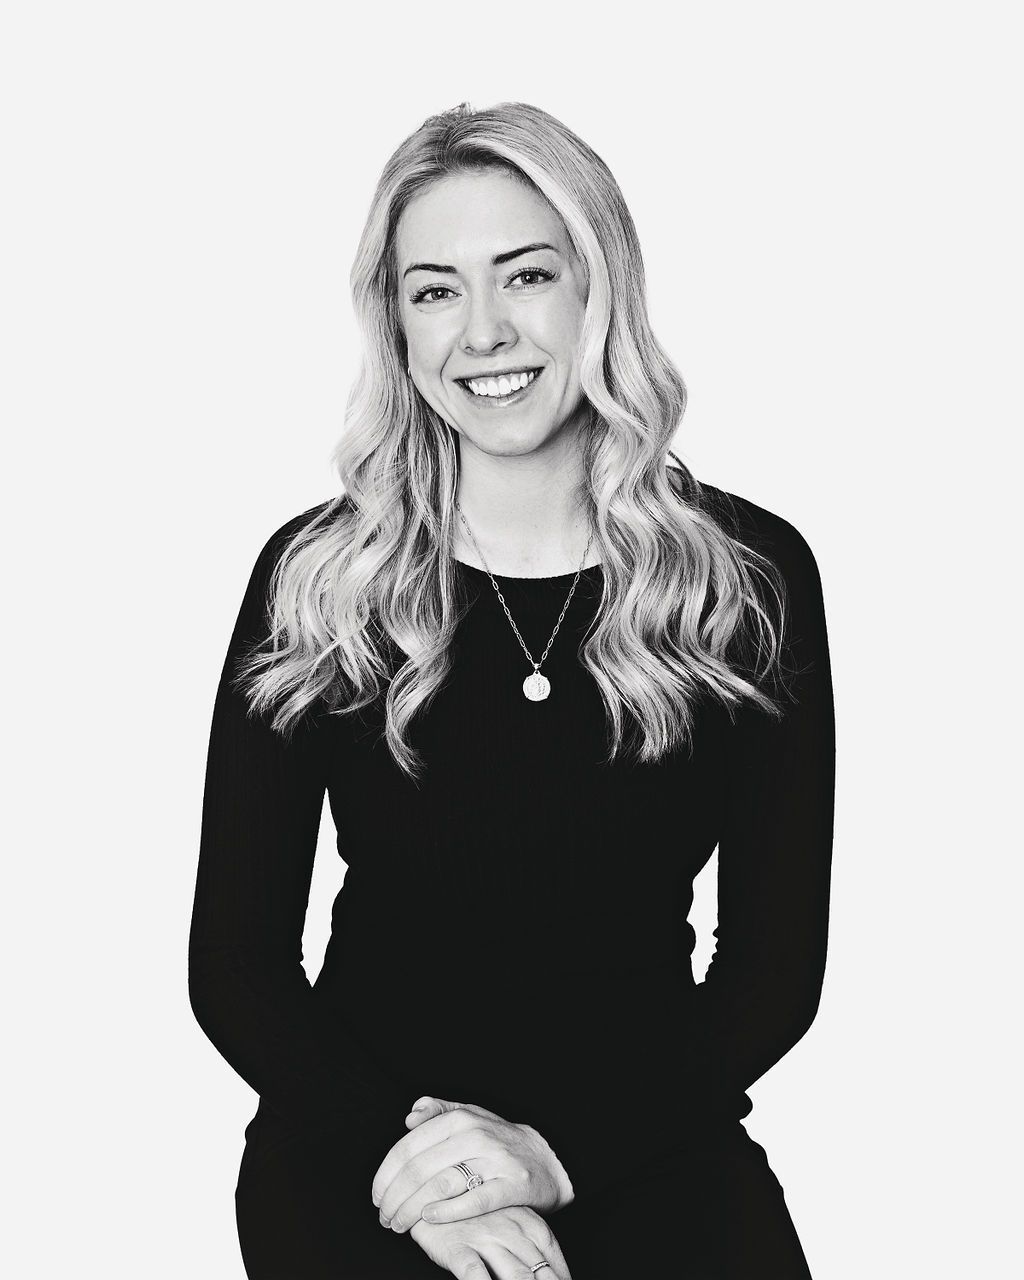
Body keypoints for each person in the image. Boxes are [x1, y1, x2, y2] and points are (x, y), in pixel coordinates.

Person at [188, 100, 836, 1279]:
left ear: (598, 287)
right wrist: (420, 1171)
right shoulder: (320, 577)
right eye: (435, 289)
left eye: (524, 275)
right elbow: (234, 962)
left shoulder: (745, 575)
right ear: (396, 322)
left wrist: (551, 1154)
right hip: (362, 1142)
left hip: (645, 1139)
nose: (482, 331)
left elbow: (772, 973)